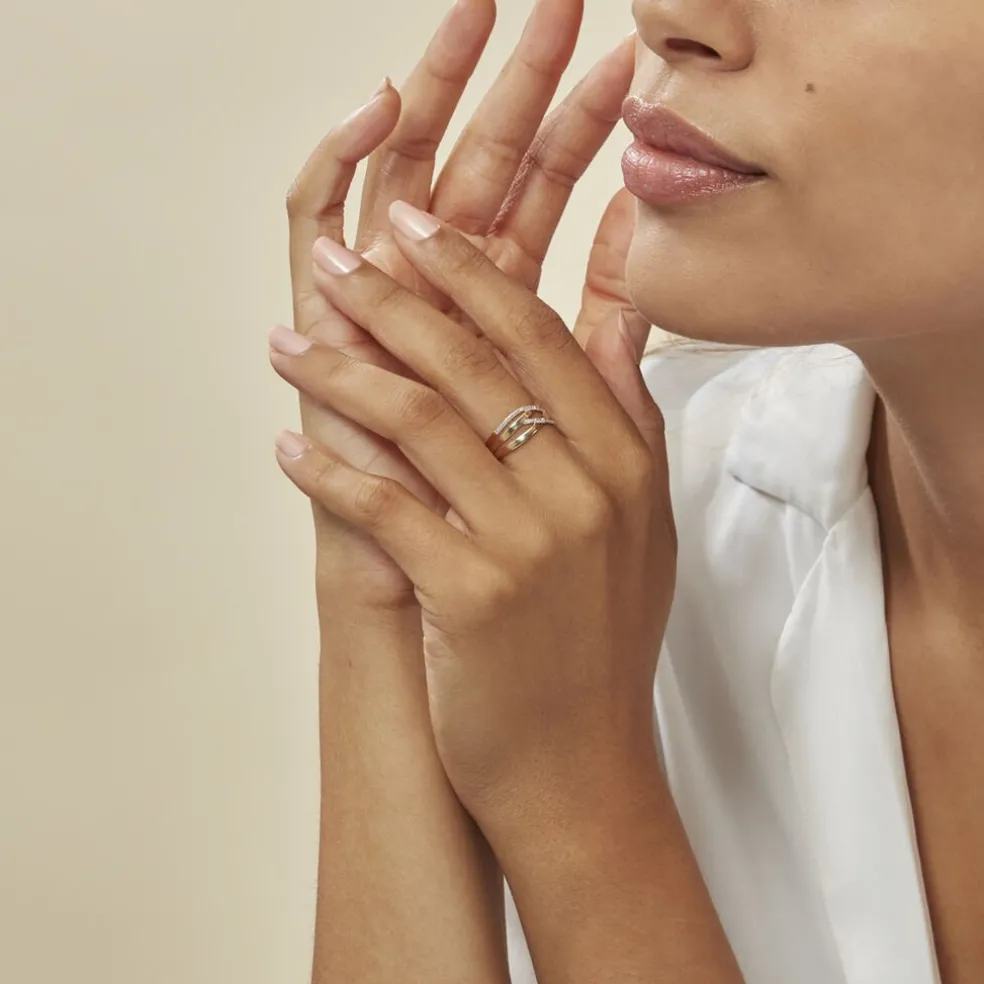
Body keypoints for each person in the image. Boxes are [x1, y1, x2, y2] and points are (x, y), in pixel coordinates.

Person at [269, 0, 984, 981]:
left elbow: (572, 794)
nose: (672, 13)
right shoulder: (586, 560)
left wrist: (578, 801)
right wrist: (393, 570)